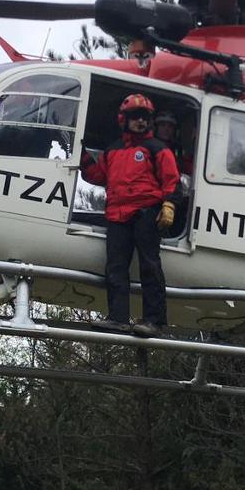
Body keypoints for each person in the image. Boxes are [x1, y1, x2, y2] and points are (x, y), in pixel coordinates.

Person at [81, 94, 180, 338]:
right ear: (123, 119)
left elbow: (172, 179)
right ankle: (118, 318)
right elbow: (97, 175)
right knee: (115, 267)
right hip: (117, 216)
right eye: (135, 117)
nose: (140, 121)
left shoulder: (157, 148)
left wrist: (169, 205)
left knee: (150, 267)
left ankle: (154, 321)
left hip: (146, 214)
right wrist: (80, 156)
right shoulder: (113, 150)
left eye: (144, 117)